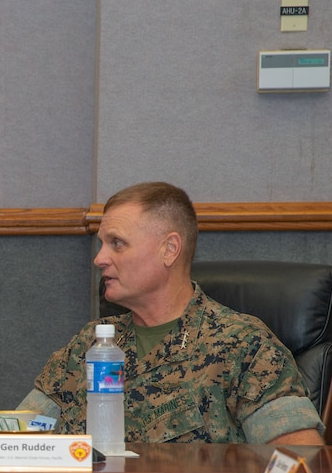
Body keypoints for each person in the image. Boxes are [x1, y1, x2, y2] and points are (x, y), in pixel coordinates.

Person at [19, 181, 323, 446]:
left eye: (117, 243)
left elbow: (299, 460)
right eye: (102, 244)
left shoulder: (242, 346)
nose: (100, 259)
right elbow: (18, 438)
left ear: (169, 249)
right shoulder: (88, 345)